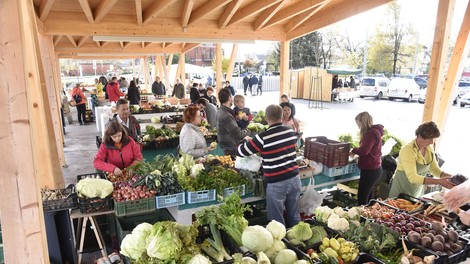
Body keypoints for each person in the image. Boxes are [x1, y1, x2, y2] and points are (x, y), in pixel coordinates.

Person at [237, 104, 301, 227]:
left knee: (276, 223)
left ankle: (283, 244)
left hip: (277, 183)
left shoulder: (263, 137)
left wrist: (246, 141)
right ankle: (298, 243)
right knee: (294, 215)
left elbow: (241, 152)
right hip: (294, 179)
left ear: (266, 118)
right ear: (282, 116)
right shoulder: (290, 131)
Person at [388, 121, 455, 198]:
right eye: (429, 138)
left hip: (416, 191)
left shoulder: (428, 149)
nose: (431, 142)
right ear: (419, 136)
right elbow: (413, 178)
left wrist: (453, 178)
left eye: (433, 138)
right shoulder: (408, 150)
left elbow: (435, 170)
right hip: (401, 190)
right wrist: (439, 182)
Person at [350, 112, 384, 205]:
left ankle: (363, 218)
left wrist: (354, 150)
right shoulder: (374, 132)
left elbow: (364, 150)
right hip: (374, 169)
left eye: (359, 124)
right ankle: (370, 216)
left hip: (370, 170)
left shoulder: (371, 133)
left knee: (362, 198)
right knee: (369, 198)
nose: (358, 127)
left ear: (363, 122)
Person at [216, 88, 250, 155]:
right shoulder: (226, 115)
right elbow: (238, 134)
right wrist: (249, 130)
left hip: (226, 146)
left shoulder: (220, 111)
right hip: (230, 149)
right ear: (229, 98)